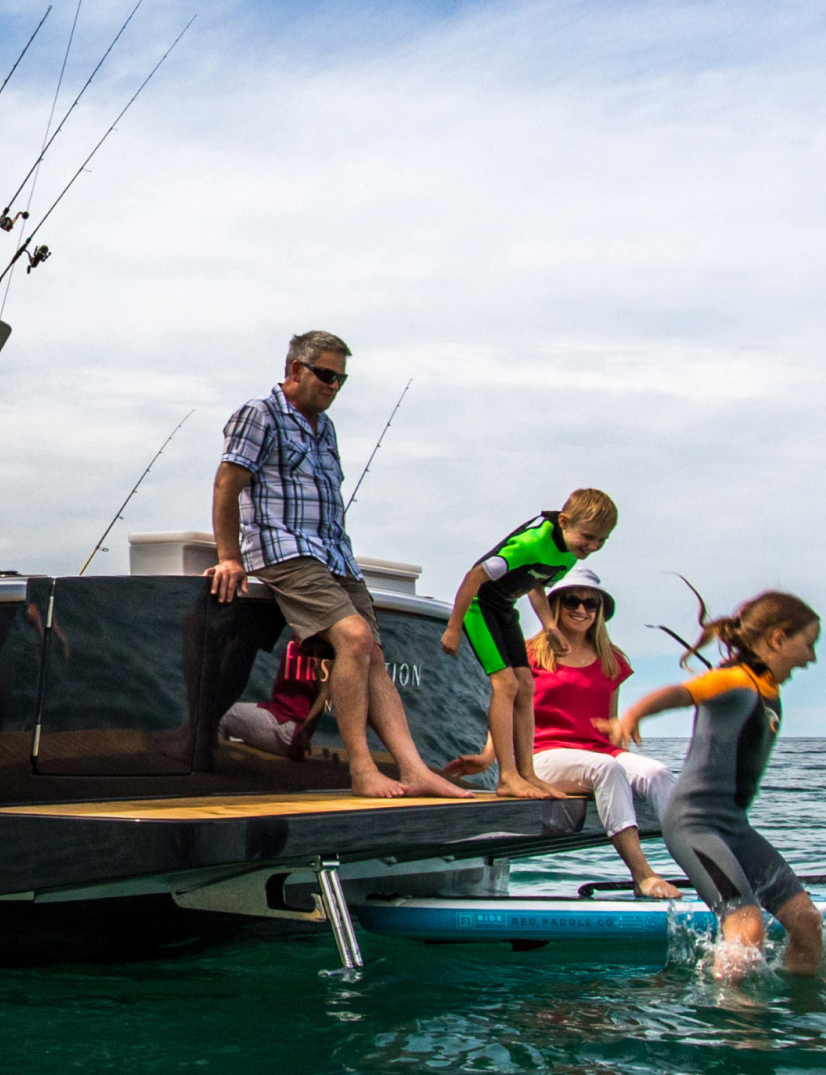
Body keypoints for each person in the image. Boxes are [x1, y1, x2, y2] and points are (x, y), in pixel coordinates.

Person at [208, 331, 470, 799]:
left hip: (334, 555)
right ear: (294, 370)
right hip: (285, 551)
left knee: (372, 653)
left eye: (341, 380)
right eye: (326, 375)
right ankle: (362, 770)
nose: (333, 387)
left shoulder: (323, 427)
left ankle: (413, 768)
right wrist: (229, 557)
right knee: (353, 637)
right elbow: (227, 483)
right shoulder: (259, 414)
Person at [610, 589, 826, 977]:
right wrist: (633, 715)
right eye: (808, 644)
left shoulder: (766, 690)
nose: (811, 657)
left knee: (806, 920)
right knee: (746, 926)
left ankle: (805, 1002)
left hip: (734, 828)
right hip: (695, 825)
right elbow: (679, 693)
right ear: (778, 639)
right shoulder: (733, 682)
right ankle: (736, 1028)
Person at [446, 568, 683, 897]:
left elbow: (609, 721)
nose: (582, 610)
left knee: (657, 772)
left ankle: (702, 866)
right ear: (555, 604)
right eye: (572, 600)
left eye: (591, 604)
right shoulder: (528, 654)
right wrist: (488, 758)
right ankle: (643, 874)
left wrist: (625, 729)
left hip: (600, 752)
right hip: (542, 755)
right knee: (606, 769)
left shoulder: (612, 660)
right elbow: (507, 706)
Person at [439, 490, 619, 799]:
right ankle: (507, 776)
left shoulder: (567, 556)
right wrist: (453, 628)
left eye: (601, 541)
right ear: (563, 522)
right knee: (506, 684)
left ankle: (528, 774)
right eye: (588, 537)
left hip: (506, 607)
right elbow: (473, 577)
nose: (593, 547)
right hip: (479, 606)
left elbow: (535, 584)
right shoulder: (531, 543)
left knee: (526, 685)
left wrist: (550, 627)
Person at [219, 638, 327, 758]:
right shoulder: (301, 638)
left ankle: (212, 766)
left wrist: (304, 731)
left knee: (221, 716)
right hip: (280, 716)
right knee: (228, 714)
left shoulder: (317, 645)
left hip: (288, 729)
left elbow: (325, 693)